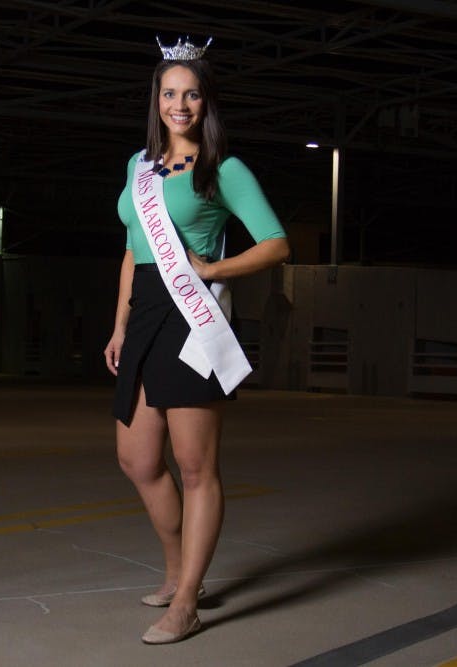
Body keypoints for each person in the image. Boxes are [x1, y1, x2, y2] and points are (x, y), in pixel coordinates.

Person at [104, 36, 289, 645]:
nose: (178, 104)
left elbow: (275, 244)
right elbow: (134, 251)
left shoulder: (223, 170)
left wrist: (210, 269)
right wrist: (120, 325)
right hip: (146, 315)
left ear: (206, 103)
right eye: (168, 93)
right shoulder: (140, 167)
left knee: (194, 466)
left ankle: (186, 601)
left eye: (191, 94)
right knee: (137, 459)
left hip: (192, 320)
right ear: (155, 100)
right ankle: (178, 569)